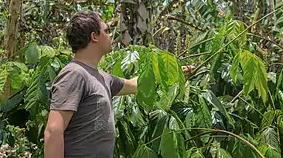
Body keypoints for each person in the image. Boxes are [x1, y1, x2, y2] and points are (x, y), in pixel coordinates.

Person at [44, 11, 195, 158]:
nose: (111, 35)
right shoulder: (74, 74)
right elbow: (54, 130)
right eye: (107, 31)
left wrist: (174, 72)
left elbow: (135, 85)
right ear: (94, 36)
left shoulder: (102, 78)